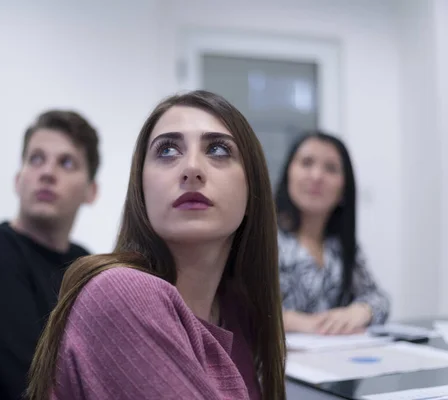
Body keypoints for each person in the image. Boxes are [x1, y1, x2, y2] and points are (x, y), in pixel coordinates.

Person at [27, 90, 286, 400]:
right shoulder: (121, 293)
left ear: (252, 189)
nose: (192, 168)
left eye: (217, 149)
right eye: (167, 150)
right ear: (141, 189)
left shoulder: (233, 307)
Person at [0, 110, 100, 400]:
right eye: (36, 159)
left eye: (66, 162)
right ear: (18, 179)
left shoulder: (82, 264)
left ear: (91, 191)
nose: (48, 173)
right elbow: (33, 385)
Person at [275, 131, 390, 336]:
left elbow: (379, 298)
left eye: (331, 168)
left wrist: (361, 311)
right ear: (288, 174)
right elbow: (239, 310)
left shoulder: (341, 245)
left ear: (344, 188)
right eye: (306, 163)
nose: (317, 176)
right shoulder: (262, 237)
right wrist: (304, 323)